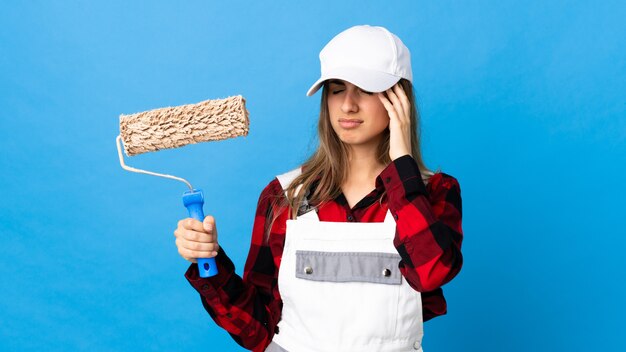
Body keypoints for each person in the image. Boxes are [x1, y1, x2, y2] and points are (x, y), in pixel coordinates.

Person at [174, 25, 463, 352]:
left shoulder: (433, 192)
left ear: (399, 100)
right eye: (337, 89)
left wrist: (402, 165)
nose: (348, 106)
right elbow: (259, 329)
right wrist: (207, 260)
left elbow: (431, 273)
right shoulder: (284, 196)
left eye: (365, 90)